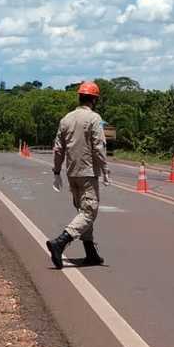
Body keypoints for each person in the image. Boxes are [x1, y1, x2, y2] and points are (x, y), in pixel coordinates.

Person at [46, 81, 110, 269]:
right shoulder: (94, 118)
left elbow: (58, 149)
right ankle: (60, 242)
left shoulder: (66, 119)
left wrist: (56, 171)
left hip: (71, 173)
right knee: (89, 212)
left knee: (83, 212)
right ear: (94, 100)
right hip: (88, 173)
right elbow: (98, 147)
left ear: (80, 97)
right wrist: (105, 169)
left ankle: (90, 253)